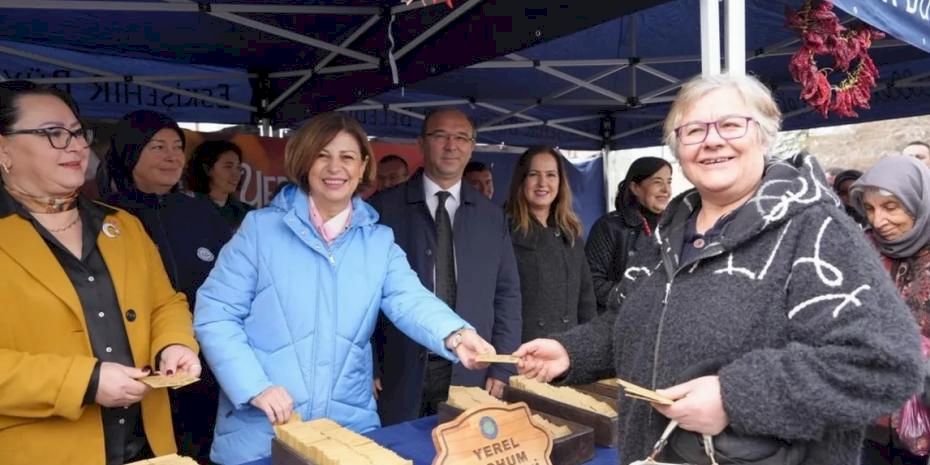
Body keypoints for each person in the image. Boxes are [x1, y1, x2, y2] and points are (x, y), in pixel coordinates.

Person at [514, 74, 923, 465]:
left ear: (764, 134)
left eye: (731, 125)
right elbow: (632, 322)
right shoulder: (670, 233)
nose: (712, 141)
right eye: (693, 130)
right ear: (677, 147)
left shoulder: (814, 230)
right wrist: (571, 352)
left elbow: (884, 362)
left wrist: (735, 396)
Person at [194, 112, 496, 465]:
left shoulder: (378, 241)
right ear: (305, 162)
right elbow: (215, 314)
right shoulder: (260, 231)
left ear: (363, 166)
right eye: (323, 155)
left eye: (347, 157)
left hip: (347, 431)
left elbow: (409, 299)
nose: (334, 167)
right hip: (264, 430)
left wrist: (456, 334)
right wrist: (254, 386)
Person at [0, 81, 200, 465]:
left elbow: (165, 302)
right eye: (53, 134)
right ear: (3, 148)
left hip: (148, 448)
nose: (76, 146)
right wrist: (84, 382)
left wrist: (173, 343)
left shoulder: (122, 226)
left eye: (77, 132)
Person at [371, 108, 521, 426]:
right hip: (398, 368)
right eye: (440, 136)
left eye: (461, 137)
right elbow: (360, 295)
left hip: (471, 370)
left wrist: (502, 366)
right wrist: (367, 364)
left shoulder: (492, 217)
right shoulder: (382, 209)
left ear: (471, 146)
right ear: (421, 143)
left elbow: (507, 295)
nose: (451, 145)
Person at [98, 110, 231, 462]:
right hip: (134, 376)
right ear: (130, 152)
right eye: (158, 146)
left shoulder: (201, 211)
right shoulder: (103, 217)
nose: (172, 156)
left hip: (204, 367)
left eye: (177, 146)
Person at [850, 156, 930, 465]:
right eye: (869, 209)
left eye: (891, 207)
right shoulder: (861, 250)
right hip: (867, 420)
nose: (878, 220)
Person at [505, 146, 596, 341]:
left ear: (561, 181)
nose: (542, 183)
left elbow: (586, 301)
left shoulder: (571, 232)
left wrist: (588, 346)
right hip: (524, 351)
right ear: (521, 180)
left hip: (568, 351)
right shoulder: (503, 231)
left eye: (551, 175)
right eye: (534, 174)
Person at [585, 157, 672, 313]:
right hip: (617, 323)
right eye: (657, 182)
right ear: (635, 188)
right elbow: (592, 282)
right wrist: (637, 300)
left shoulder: (673, 225)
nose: (666, 190)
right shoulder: (609, 226)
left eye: (669, 182)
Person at [185, 139, 254, 230]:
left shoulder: (247, 213)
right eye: (228, 167)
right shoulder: (186, 209)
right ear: (207, 169)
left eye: (238, 168)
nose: (236, 174)